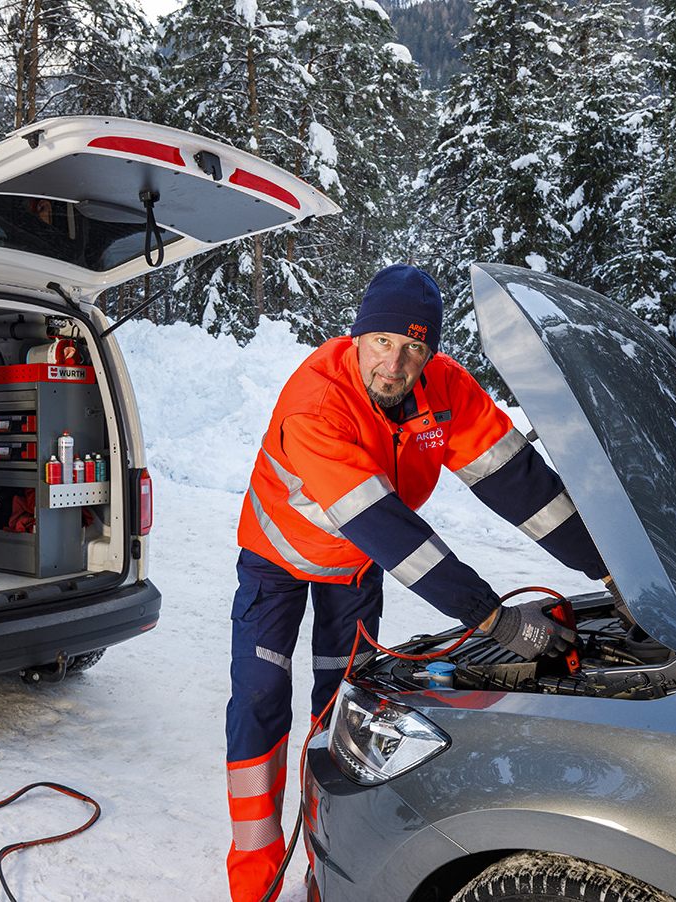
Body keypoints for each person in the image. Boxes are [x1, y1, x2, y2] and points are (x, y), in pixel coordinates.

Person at [224, 264, 610, 902]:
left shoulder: (445, 392)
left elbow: (520, 485)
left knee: (342, 711)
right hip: (277, 561)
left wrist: (605, 564)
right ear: (356, 338)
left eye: (414, 347)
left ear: (430, 351)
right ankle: (254, 883)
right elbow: (394, 534)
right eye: (381, 342)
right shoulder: (317, 400)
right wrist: (493, 617)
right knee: (261, 700)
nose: (395, 363)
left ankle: (325, 871)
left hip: (353, 565)